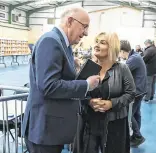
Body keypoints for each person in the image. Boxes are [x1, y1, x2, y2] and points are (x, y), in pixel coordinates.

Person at [22, 7, 100, 153]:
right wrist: (86, 85)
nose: (86, 33)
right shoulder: (51, 41)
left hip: (52, 129)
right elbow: (48, 86)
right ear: (70, 21)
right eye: (84, 26)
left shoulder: (65, 45)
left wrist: (72, 67)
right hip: (44, 130)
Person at [80, 32, 136, 153]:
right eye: (96, 41)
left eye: (102, 42)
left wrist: (112, 103)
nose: (96, 45)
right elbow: (77, 92)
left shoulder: (122, 69)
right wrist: (89, 101)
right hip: (89, 122)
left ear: (112, 47)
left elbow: (131, 93)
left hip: (115, 123)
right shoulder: (88, 67)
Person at [120, 40, 147, 147]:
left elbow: (122, 72)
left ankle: (138, 136)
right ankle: (136, 136)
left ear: (122, 51)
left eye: (118, 52)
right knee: (136, 113)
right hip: (141, 89)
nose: (119, 55)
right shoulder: (135, 55)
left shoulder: (133, 59)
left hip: (137, 91)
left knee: (127, 113)